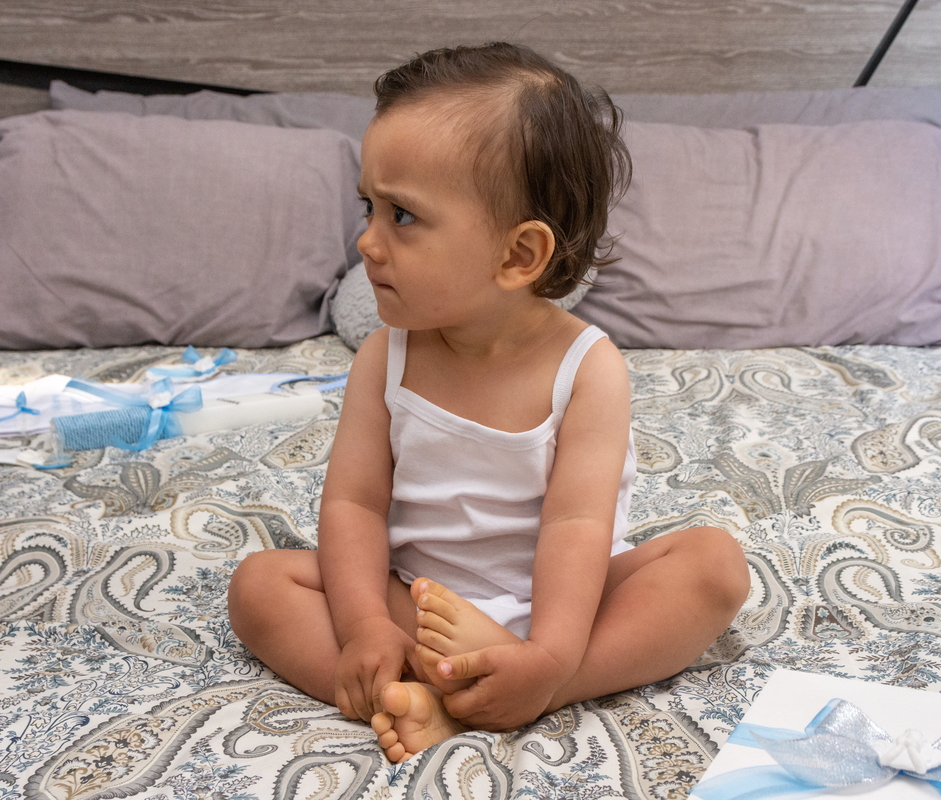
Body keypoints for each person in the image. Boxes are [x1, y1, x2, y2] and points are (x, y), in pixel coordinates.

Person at [227, 42, 750, 763]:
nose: (367, 242)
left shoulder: (588, 369)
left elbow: (576, 524)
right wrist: (365, 628)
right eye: (369, 207)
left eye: (402, 216)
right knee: (259, 585)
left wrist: (551, 655)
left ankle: (537, 685)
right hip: (415, 597)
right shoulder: (386, 357)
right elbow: (354, 505)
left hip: (565, 605)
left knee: (714, 567)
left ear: (517, 256)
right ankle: (416, 688)